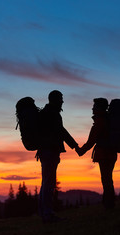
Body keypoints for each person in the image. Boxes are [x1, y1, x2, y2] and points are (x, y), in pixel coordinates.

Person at [37, 90, 80, 223]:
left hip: (45, 151)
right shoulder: (53, 114)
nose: (62, 101)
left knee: (46, 183)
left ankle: (44, 213)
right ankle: (48, 214)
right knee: (49, 183)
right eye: (61, 98)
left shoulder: (45, 113)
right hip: (50, 151)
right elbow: (62, 131)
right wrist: (75, 146)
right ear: (54, 99)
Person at [77, 98, 118, 209]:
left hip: (104, 154)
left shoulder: (100, 121)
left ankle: (109, 205)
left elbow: (91, 141)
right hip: (112, 153)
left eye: (94, 106)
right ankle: (109, 203)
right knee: (108, 178)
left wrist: (81, 151)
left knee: (106, 179)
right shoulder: (108, 119)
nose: (92, 108)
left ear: (99, 108)